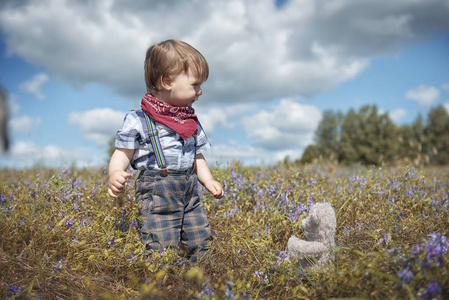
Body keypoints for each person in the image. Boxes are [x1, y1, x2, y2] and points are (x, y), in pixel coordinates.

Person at [108, 39, 223, 261]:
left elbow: (196, 156)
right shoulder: (138, 119)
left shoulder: (189, 121)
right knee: (161, 244)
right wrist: (115, 173)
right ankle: (164, 284)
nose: (200, 92)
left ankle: (201, 283)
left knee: (200, 238)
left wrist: (208, 181)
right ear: (168, 81)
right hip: (157, 189)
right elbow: (123, 153)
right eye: (195, 84)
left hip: (189, 188)